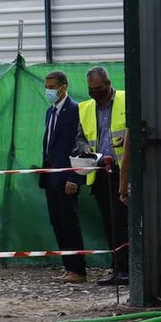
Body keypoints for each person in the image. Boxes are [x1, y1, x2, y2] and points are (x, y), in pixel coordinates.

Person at [75, 66, 128, 286]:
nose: (94, 93)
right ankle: (117, 268)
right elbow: (79, 138)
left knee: (125, 222)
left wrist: (128, 140)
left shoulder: (126, 100)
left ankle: (129, 268)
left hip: (122, 170)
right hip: (99, 174)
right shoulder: (85, 109)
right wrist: (85, 149)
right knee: (110, 223)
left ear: (108, 84)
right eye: (91, 89)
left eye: (98, 88)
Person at [41, 71, 87, 283]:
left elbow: (79, 146)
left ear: (64, 87)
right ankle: (68, 266)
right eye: (46, 87)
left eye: (52, 87)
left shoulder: (75, 111)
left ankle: (78, 269)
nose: (48, 91)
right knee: (56, 221)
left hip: (67, 177)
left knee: (69, 222)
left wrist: (74, 177)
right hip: (51, 177)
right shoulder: (50, 112)